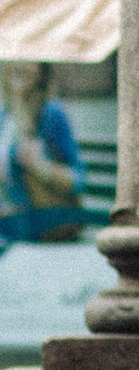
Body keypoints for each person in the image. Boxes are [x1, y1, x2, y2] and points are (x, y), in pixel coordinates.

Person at [0, 62, 81, 243]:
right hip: (12, 226)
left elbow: (79, 180)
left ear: (41, 69)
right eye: (15, 57)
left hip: (44, 227)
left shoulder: (51, 113)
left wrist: (42, 168)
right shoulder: (5, 116)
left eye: (28, 59)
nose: (19, 64)